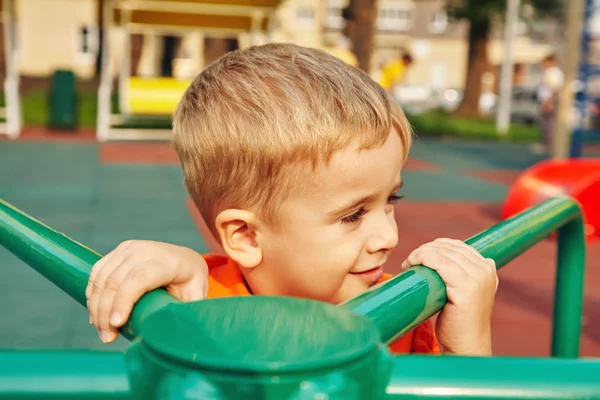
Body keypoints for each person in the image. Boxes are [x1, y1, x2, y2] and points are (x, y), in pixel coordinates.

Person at [86, 43, 498, 357]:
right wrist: (158, 283)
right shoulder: (198, 306)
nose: (388, 236)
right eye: (353, 215)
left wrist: (469, 347)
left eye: (391, 198)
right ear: (246, 236)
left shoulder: (408, 315)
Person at [535, 53, 564, 154]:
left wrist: (549, 102)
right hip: (548, 100)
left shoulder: (552, 72)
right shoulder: (553, 72)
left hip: (549, 101)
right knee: (547, 124)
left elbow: (554, 88)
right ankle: (548, 144)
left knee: (548, 124)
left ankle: (549, 145)